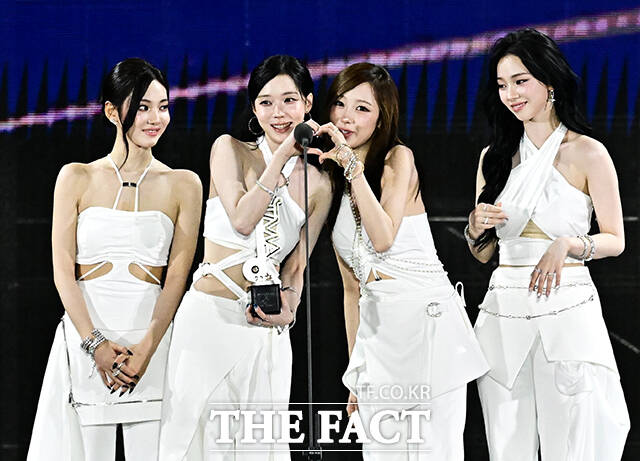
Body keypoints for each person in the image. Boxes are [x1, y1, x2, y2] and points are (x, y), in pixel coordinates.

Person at [466, 29, 630, 460]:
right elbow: (483, 253)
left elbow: (615, 239)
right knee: (507, 442)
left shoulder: (588, 152)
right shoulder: (494, 157)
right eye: (502, 85)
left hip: (567, 304)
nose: (511, 95)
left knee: (574, 438)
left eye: (521, 81)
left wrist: (568, 244)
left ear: (549, 81)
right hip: (504, 309)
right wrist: (474, 226)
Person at [27, 58, 202, 460]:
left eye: (163, 107)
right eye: (142, 107)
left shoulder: (184, 184)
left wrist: (147, 347)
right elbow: (62, 271)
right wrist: (95, 345)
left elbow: (177, 277)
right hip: (87, 334)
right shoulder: (76, 177)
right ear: (111, 111)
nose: (155, 118)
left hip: (150, 343)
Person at [159, 55, 332, 460]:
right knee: (192, 439)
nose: (278, 113)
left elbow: (296, 266)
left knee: (258, 446)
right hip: (209, 318)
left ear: (308, 103)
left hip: (263, 328)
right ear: (254, 109)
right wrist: (281, 157)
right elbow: (241, 219)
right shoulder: (229, 149)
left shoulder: (321, 183)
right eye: (266, 102)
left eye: (289, 100)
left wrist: (289, 309)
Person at [317, 62, 488, 460]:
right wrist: (356, 372)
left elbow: (383, 237)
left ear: (381, 119)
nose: (346, 117)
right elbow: (351, 291)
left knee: (434, 450)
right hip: (378, 337)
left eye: (362, 108)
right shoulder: (334, 183)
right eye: (340, 103)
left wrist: (351, 166)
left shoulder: (398, 159)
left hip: (425, 325)